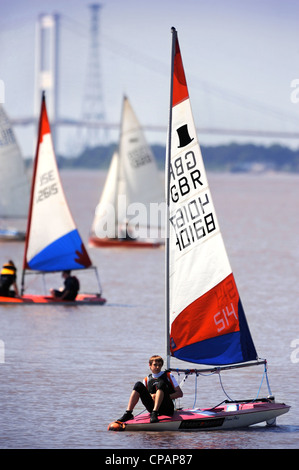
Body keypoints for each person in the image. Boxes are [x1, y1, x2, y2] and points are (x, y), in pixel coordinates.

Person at [118, 355, 183, 424]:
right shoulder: (146, 379)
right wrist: (152, 396)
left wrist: (162, 397)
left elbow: (179, 393)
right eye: (155, 365)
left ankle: (155, 413)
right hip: (151, 407)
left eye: (160, 365)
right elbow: (147, 396)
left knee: (161, 383)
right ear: (150, 365)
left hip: (166, 408)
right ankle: (128, 413)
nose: (157, 367)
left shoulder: (168, 375)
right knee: (138, 385)